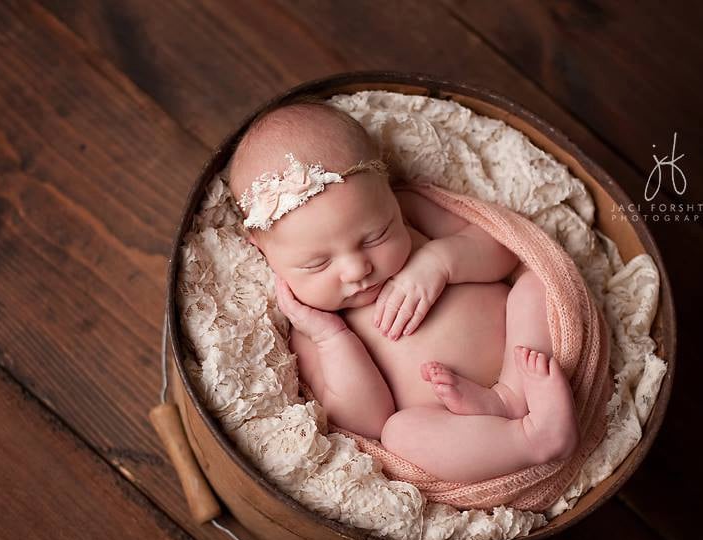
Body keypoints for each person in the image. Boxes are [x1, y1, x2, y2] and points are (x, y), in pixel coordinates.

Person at [228, 100, 577, 483]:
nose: (356, 269)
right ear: (260, 249)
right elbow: (367, 422)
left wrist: (440, 262)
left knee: (537, 283)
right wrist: (334, 338)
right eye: (318, 264)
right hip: (450, 421)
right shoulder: (311, 328)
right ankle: (531, 439)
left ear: (388, 191)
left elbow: (505, 249)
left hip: (523, 361)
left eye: (376, 235)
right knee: (399, 435)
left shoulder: (411, 212)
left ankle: (510, 398)